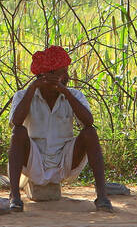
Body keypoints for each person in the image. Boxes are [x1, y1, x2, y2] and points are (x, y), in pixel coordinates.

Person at [7, 45, 112, 212]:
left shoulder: (74, 95)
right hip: (34, 159)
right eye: (61, 73)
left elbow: (88, 122)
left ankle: (102, 196)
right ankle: (14, 197)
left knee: (90, 133)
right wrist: (33, 88)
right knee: (18, 133)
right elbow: (17, 121)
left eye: (66, 72)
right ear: (45, 76)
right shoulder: (23, 95)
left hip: (64, 159)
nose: (67, 77)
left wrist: (66, 92)